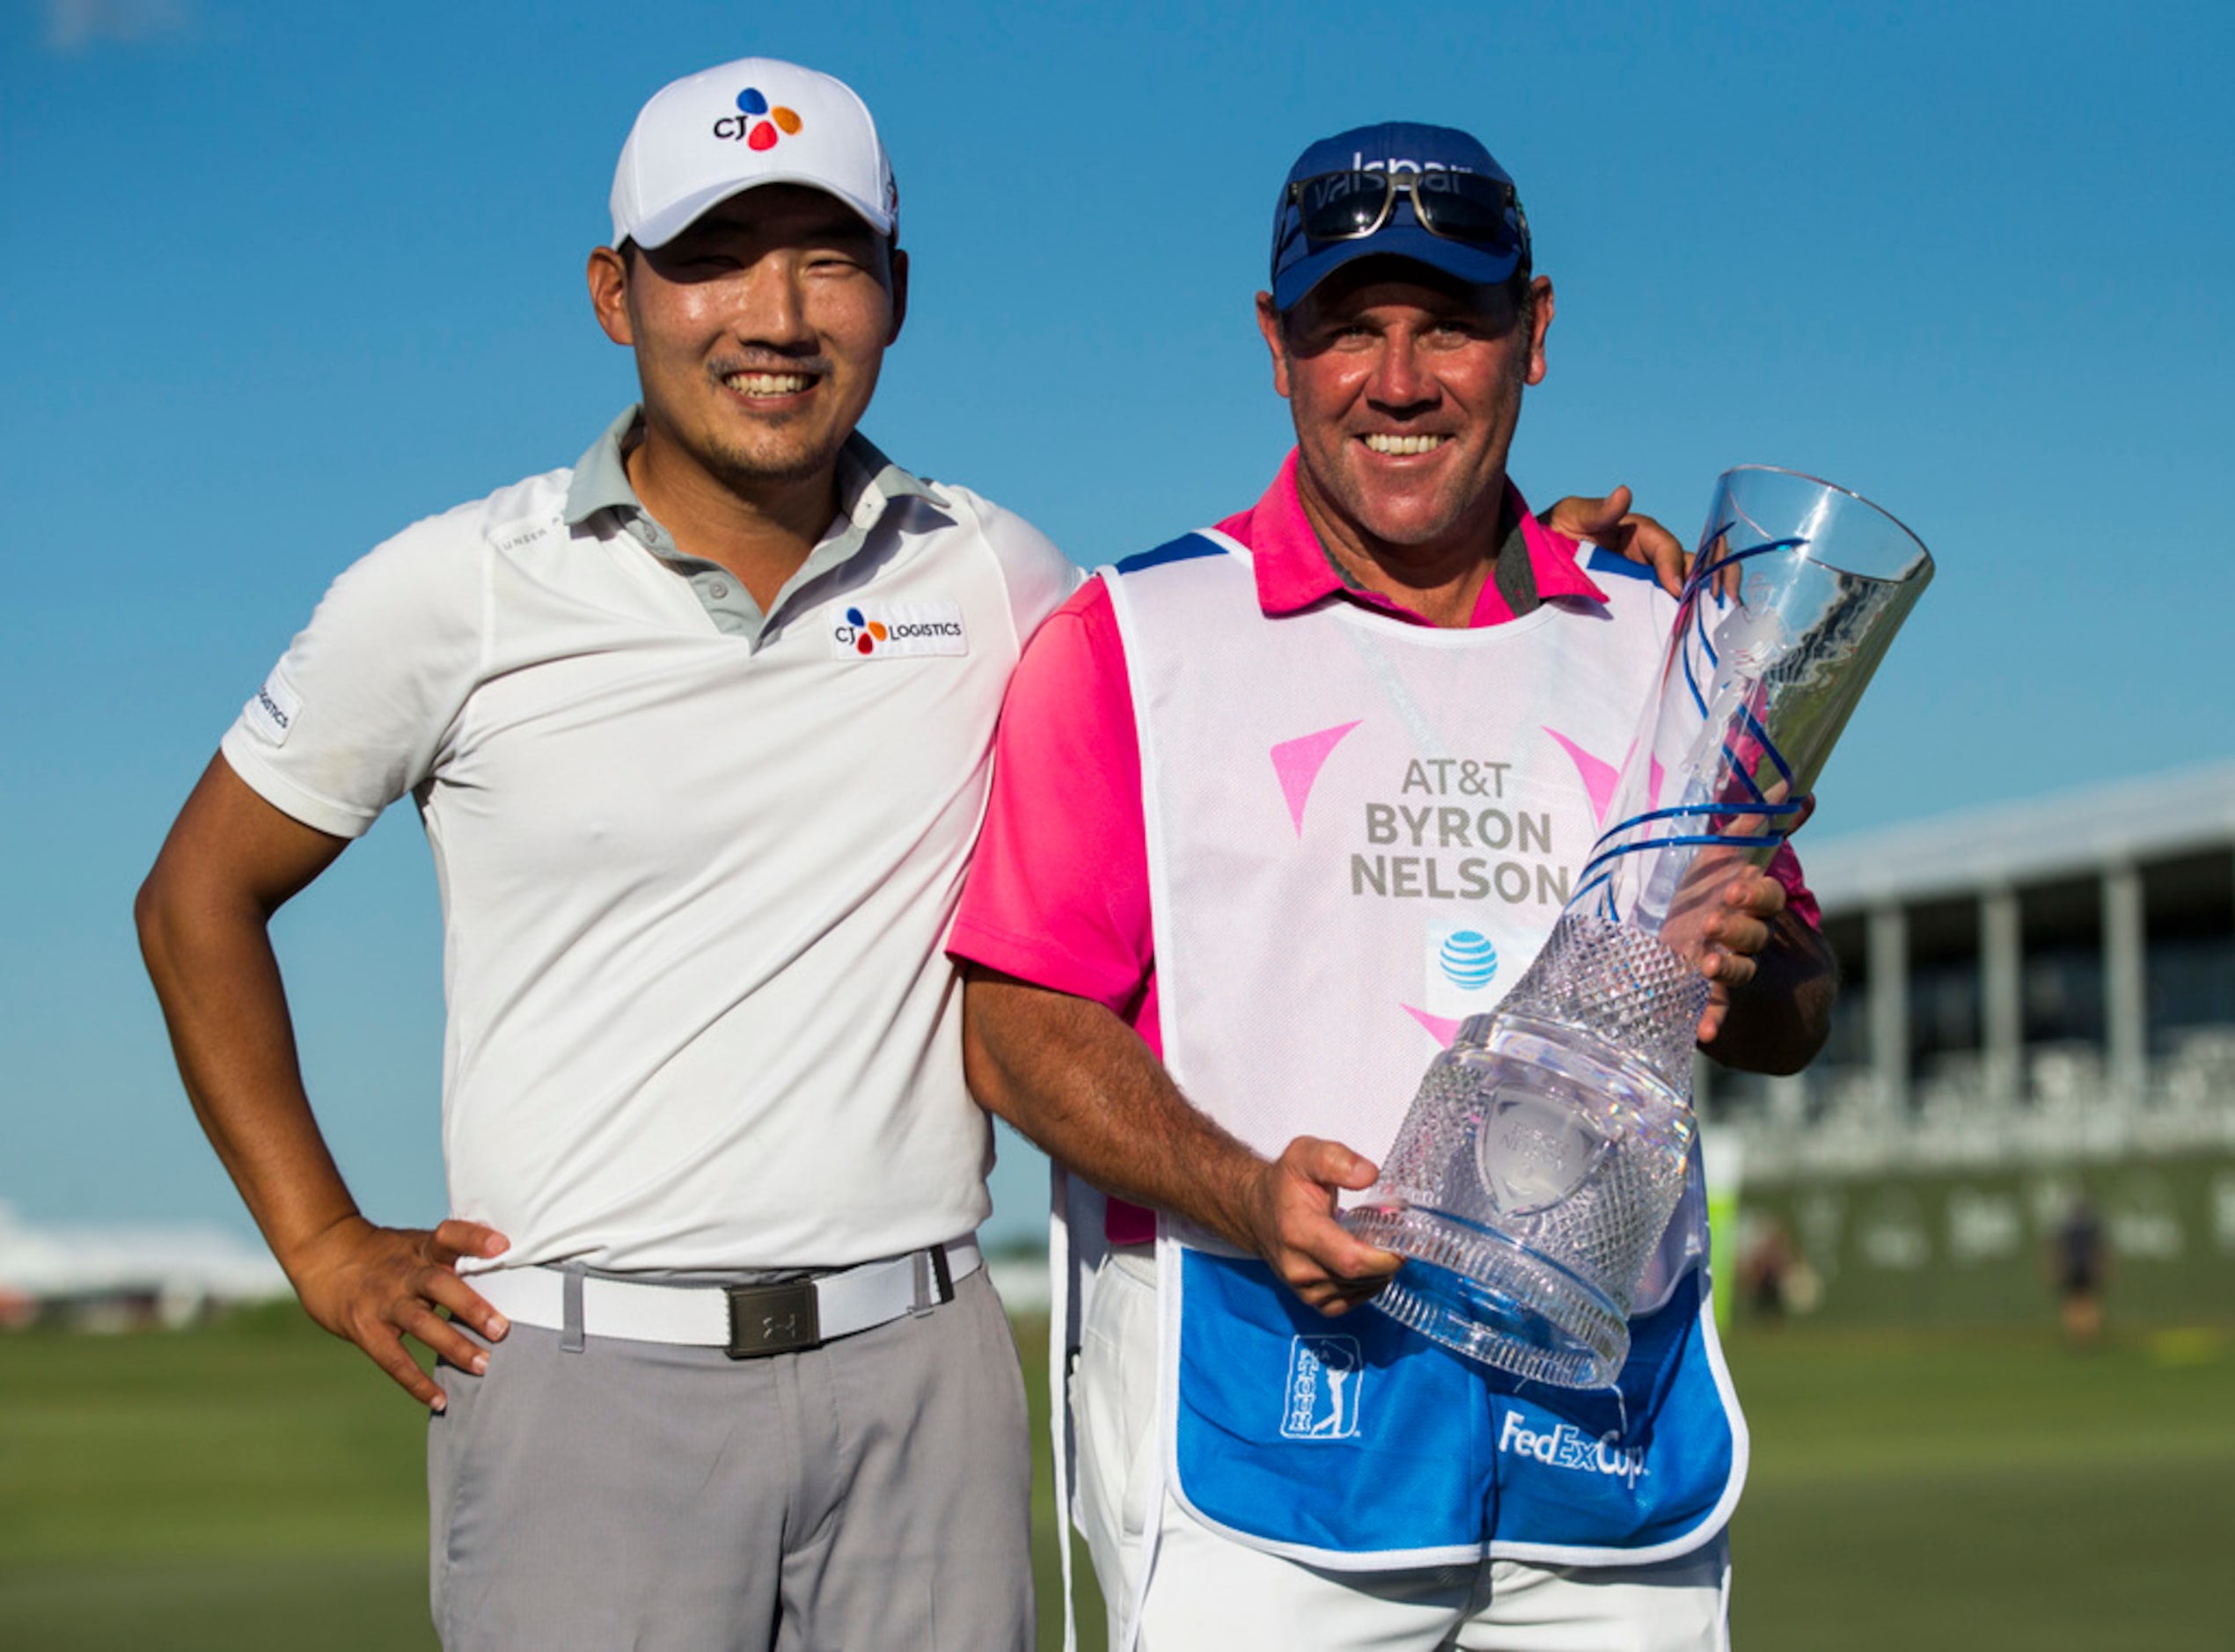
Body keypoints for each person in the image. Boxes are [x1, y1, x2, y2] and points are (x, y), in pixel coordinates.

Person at [132, 56, 1078, 1650]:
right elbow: (196, 897)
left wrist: (1586, 577)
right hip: (581, 1389)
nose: (773, 315)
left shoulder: (992, 571)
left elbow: (1235, 710)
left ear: (897, 294)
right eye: (710, 256)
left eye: (826, 256)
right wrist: (319, 1240)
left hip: (927, 1378)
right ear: (612, 290)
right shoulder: (454, 590)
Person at [953, 121, 1837, 1649]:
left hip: (1605, 1458)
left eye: (1454, 323)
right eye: (1347, 328)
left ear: (1537, 334)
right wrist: (1240, 1187)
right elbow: (1018, 1025)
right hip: (1266, 1441)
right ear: (1275, 348)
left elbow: (1793, 1008)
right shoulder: (1134, 641)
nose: (1402, 378)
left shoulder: (1666, 643)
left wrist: (1752, 969)